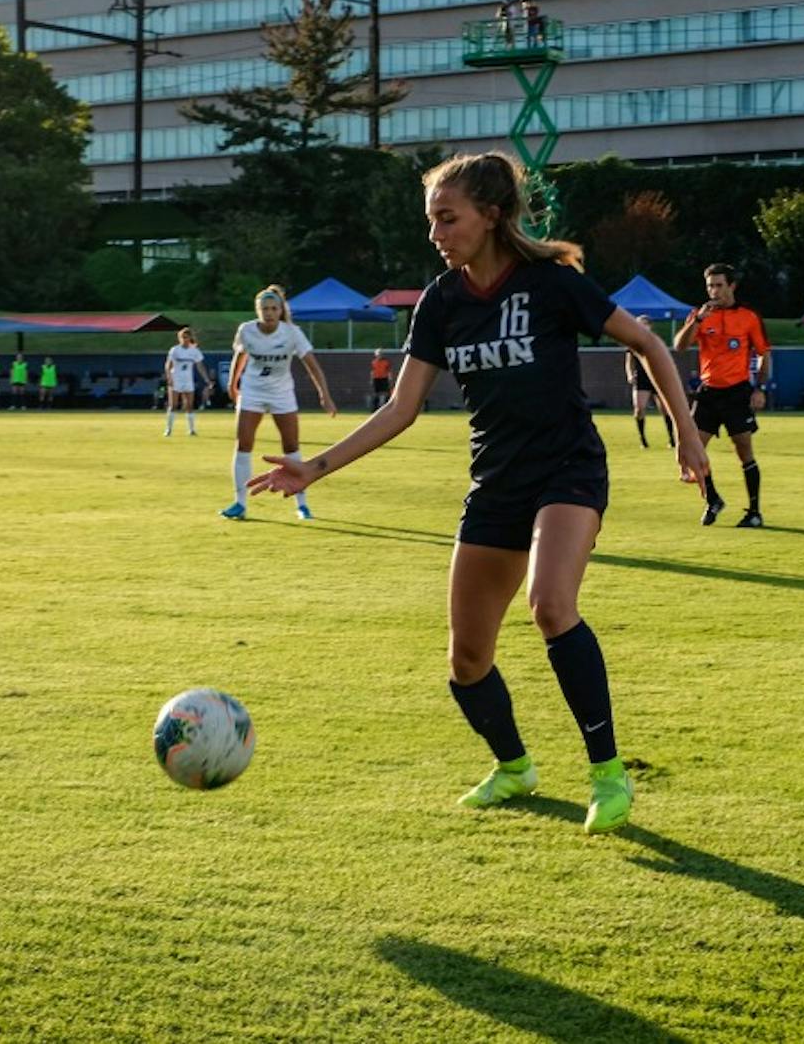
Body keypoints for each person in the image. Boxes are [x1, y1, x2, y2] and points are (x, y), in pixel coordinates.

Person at [247, 151, 707, 834]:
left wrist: (686, 433)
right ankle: (515, 766)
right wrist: (315, 466)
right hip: (496, 482)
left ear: (491, 215)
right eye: (431, 220)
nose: (436, 233)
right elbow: (402, 407)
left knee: (551, 605)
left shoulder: (551, 283)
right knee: (466, 660)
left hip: (568, 470)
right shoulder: (442, 302)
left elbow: (648, 343)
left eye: (447, 217)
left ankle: (607, 774)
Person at [223, 285, 336, 521]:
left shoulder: (292, 333)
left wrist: (324, 394)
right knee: (243, 443)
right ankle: (239, 503)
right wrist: (233, 384)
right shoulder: (246, 330)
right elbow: (240, 355)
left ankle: (302, 505)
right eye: (264, 308)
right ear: (258, 310)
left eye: (274, 308)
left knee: (291, 446)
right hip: (253, 391)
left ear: (280, 310)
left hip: (282, 393)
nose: (269, 312)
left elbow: (312, 366)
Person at [673, 263, 771, 528]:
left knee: (744, 451)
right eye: (709, 286)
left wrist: (759, 388)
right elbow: (679, 346)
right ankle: (713, 499)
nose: (713, 291)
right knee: (694, 451)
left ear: (731, 286)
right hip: (708, 393)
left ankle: (754, 512)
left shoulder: (748, 317)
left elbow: (764, 353)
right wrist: (698, 321)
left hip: (737, 392)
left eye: (718, 285)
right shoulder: (700, 315)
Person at [625, 315, 675, 449]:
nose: (642, 326)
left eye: (645, 323)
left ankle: (672, 439)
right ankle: (643, 440)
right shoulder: (632, 342)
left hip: (657, 378)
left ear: (650, 326)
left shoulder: (655, 341)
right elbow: (629, 361)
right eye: (640, 323)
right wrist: (630, 375)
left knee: (665, 409)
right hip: (641, 379)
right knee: (639, 409)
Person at [164, 327, 213, 437]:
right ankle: (168, 429)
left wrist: (207, 379)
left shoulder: (194, 351)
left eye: (187, 337)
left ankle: (191, 430)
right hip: (176, 379)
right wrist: (169, 378)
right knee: (173, 405)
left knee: (189, 405)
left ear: (190, 338)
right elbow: (168, 365)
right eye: (182, 337)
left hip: (188, 381)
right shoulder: (175, 350)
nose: (184, 339)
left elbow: (200, 366)